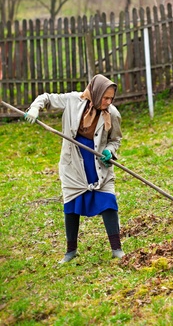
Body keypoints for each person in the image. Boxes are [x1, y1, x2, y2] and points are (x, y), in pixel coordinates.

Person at [24, 74, 125, 263]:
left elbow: (115, 140)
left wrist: (110, 151)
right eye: (105, 97)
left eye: (111, 98)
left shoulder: (112, 113)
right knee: (71, 204)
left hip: (98, 164)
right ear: (96, 93)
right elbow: (47, 98)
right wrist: (35, 108)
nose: (108, 101)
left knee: (108, 201)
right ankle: (71, 251)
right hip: (73, 163)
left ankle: (116, 248)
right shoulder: (73, 100)